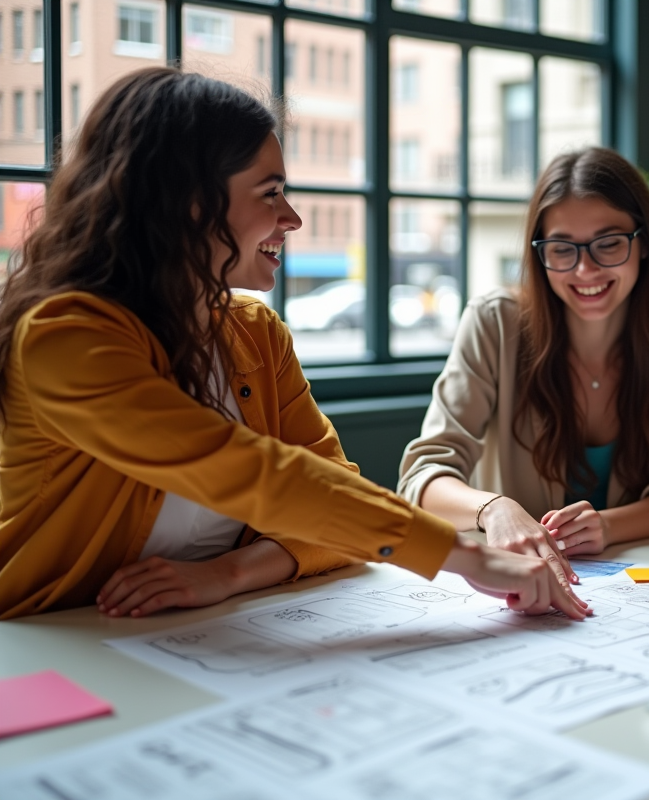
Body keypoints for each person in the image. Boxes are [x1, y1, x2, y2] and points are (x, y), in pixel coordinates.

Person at [0, 67, 588, 622]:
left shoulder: (253, 331)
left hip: (202, 631)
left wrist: (228, 574)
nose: (292, 218)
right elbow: (254, 475)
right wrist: (469, 558)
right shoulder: (65, 333)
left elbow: (329, 492)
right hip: (52, 637)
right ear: (191, 203)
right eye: (269, 193)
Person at [398, 147, 649, 582]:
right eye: (562, 249)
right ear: (539, 253)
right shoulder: (493, 322)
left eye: (609, 244)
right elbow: (423, 475)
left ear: (645, 242)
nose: (585, 269)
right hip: (516, 581)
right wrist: (493, 510)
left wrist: (609, 526)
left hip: (638, 582)